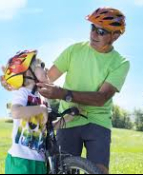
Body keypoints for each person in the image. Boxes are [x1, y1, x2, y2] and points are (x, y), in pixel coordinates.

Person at [35, 7, 129, 174]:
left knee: (99, 170)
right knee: (63, 169)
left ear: (116, 35)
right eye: (92, 27)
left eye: (101, 31)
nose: (93, 34)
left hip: (98, 120)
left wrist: (63, 93)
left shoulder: (120, 62)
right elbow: (47, 78)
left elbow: (102, 98)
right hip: (69, 117)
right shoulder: (75, 50)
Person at [3, 50, 49, 174]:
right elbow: (16, 112)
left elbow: (45, 128)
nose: (46, 69)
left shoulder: (43, 99)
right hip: (20, 161)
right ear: (28, 72)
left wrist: (67, 119)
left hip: (39, 162)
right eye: (41, 65)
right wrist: (41, 109)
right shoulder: (22, 92)